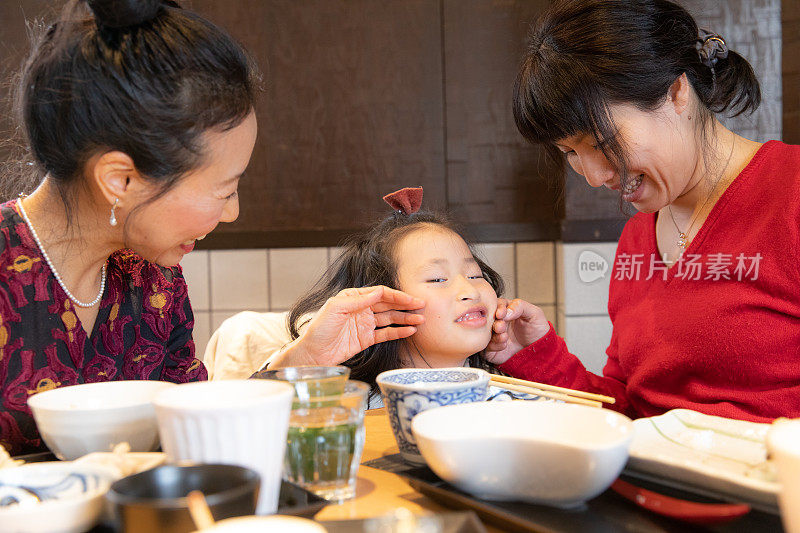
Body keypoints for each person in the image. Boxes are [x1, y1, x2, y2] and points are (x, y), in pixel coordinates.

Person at [1, 0, 424, 455]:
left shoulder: (154, 278)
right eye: (224, 190)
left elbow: (195, 431)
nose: (232, 213)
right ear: (120, 180)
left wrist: (303, 359)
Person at [484, 0, 800, 423]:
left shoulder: (790, 192)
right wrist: (535, 355)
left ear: (676, 92)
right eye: (570, 153)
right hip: (645, 482)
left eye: (599, 141)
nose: (593, 176)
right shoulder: (638, 238)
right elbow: (630, 406)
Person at [273, 188, 506, 401]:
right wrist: (305, 357)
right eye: (437, 279)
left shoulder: (509, 393)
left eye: (475, 275)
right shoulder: (347, 406)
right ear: (381, 303)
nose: (470, 291)